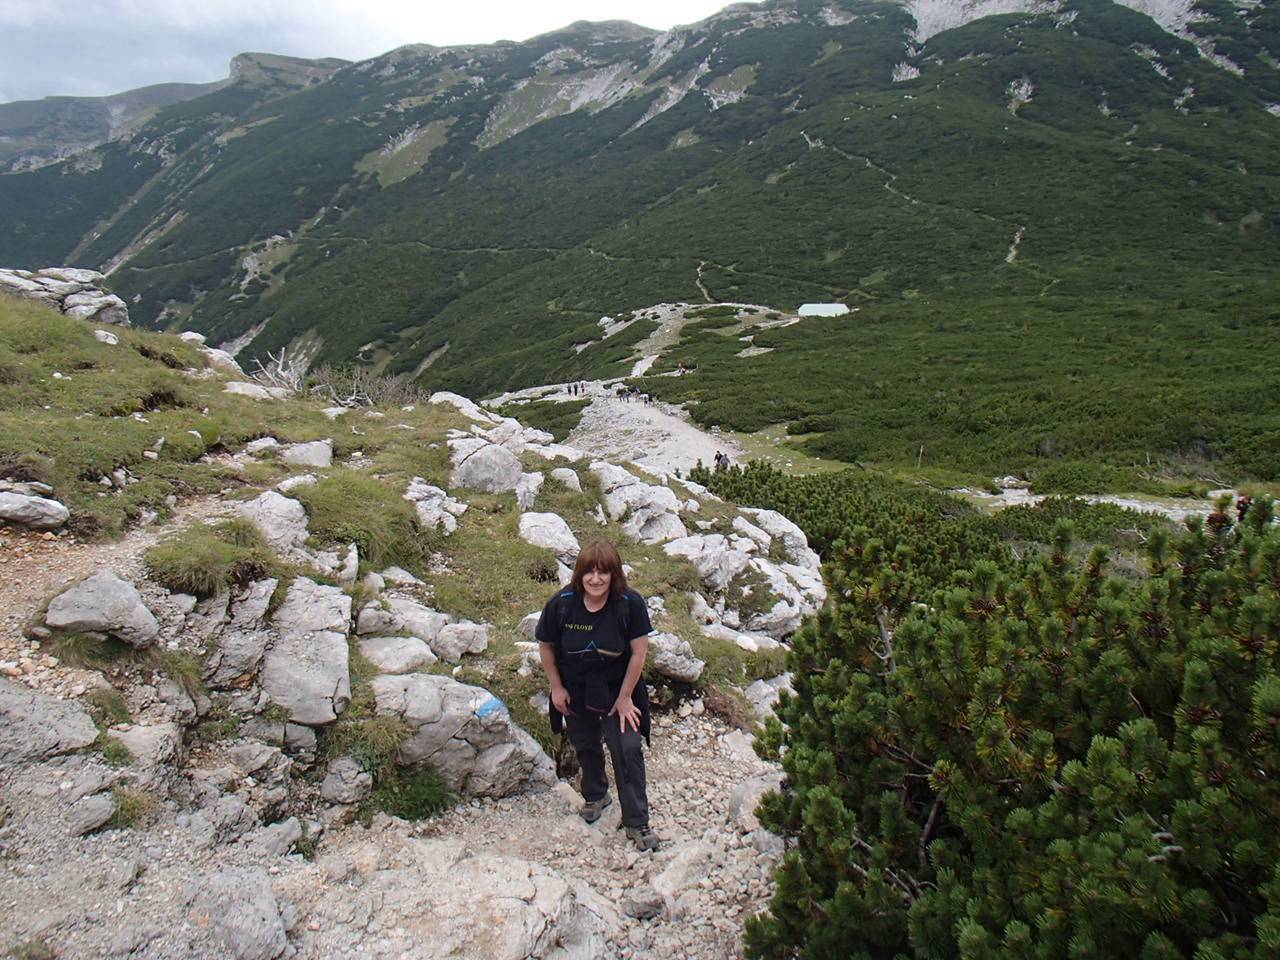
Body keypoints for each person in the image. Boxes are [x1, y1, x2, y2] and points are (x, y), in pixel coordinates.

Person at [537, 540, 659, 851]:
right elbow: (547, 646)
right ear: (579, 574)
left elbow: (638, 653)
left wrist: (625, 697)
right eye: (589, 572)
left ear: (613, 575)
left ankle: (637, 821)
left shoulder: (629, 604)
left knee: (628, 747)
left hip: (619, 686)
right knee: (584, 742)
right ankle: (596, 795)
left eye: (603, 573)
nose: (595, 579)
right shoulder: (562, 604)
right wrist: (556, 687)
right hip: (575, 686)